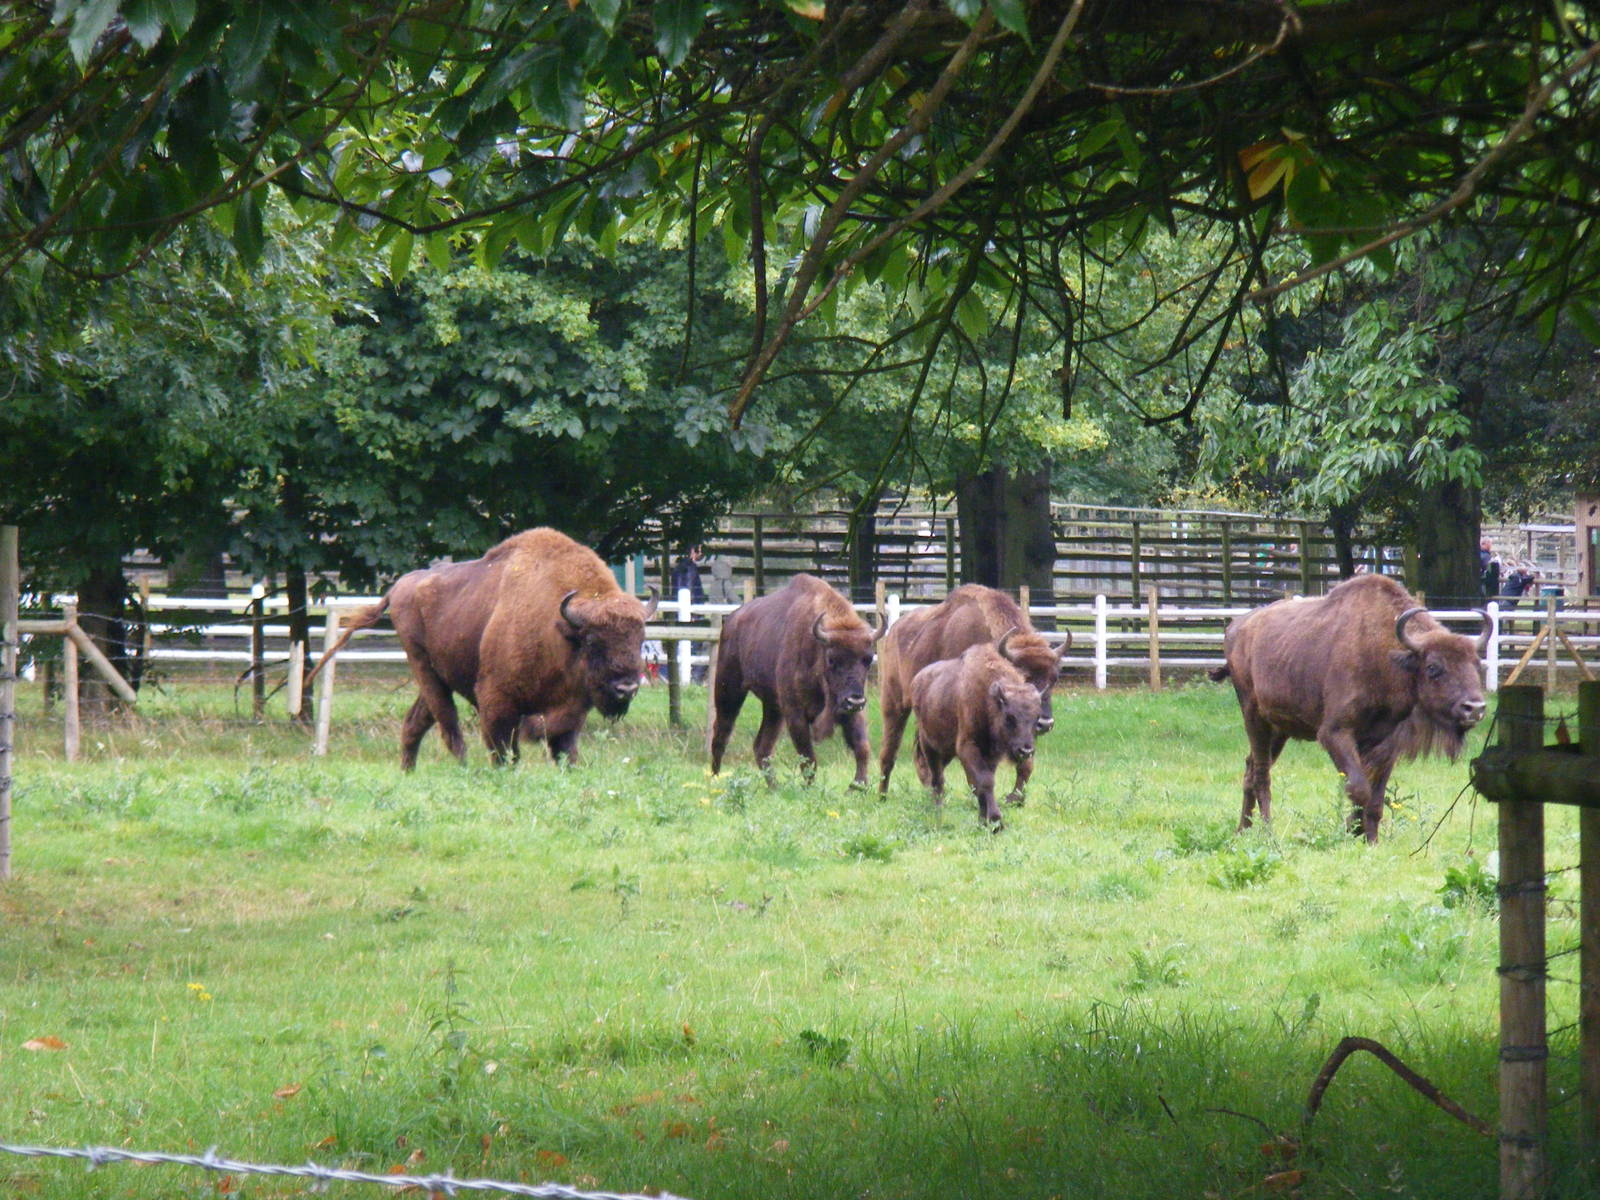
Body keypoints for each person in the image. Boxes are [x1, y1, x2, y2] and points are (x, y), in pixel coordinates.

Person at [670, 545, 708, 683]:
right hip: (690, 612)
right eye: (699, 549)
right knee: (693, 645)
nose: (702, 553)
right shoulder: (689, 569)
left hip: (682, 610)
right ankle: (693, 679)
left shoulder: (679, 568)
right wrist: (692, 612)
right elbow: (688, 588)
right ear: (692, 551)